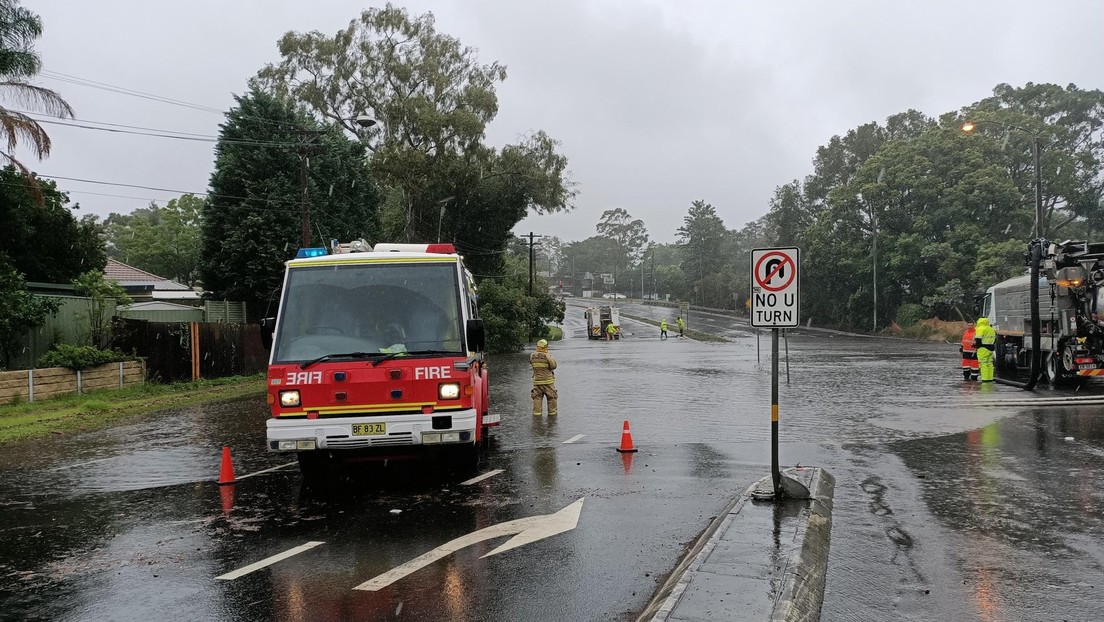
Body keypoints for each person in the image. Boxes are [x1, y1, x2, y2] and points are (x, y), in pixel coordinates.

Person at [530, 339, 558, 416]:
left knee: (537, 398)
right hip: (548, 382)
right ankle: (552, 417)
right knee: (551, 398)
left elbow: (532, 364)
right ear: (545, 347)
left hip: (537, 382)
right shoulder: (547, 356)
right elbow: (554, 366)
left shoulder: (532, 355)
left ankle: (537, 416)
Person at [974, 317, 996, 383]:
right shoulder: (991, 329)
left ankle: (985, 379)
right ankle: (990, 378)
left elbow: (978, 339)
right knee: (989, 363)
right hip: (990, 348)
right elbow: (995, 339)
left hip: (983, 348)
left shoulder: (980, 328)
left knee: (983, 364)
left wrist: (976, 346)